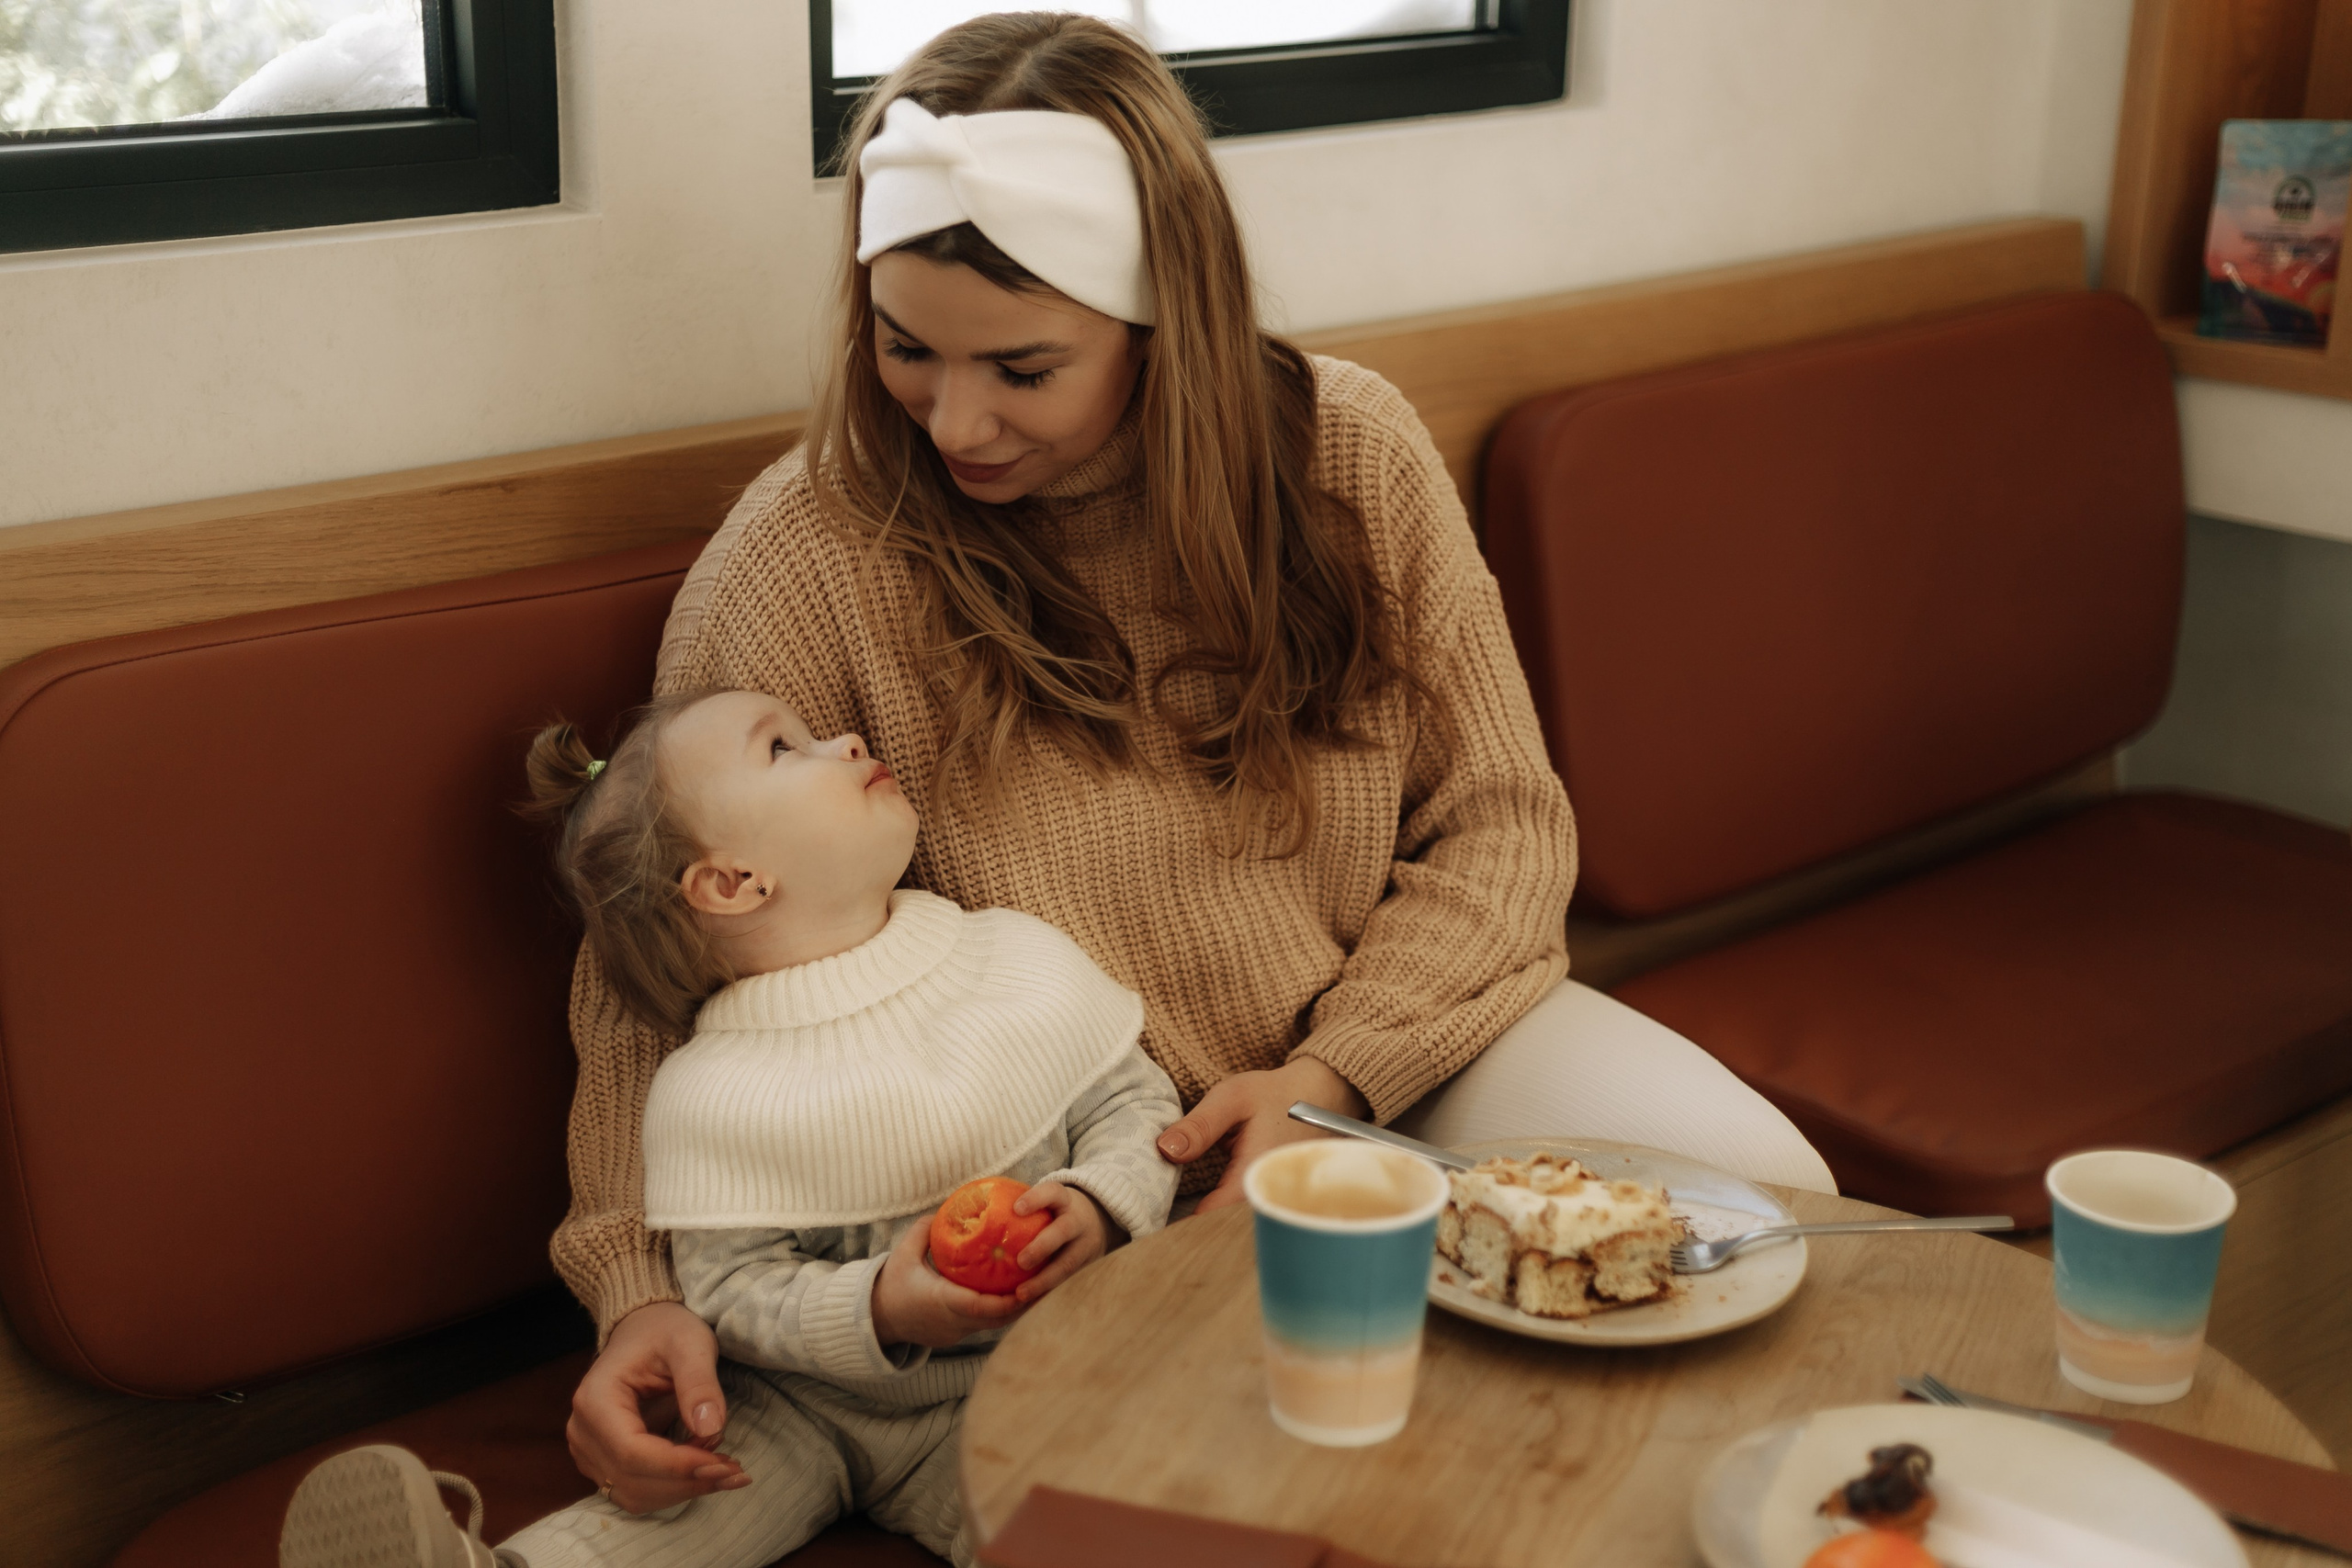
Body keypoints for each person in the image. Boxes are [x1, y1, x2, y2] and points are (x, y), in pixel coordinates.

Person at [556, 9, 1834, 1528]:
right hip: (1096, 1160)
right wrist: (632, 1284)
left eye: (1021, 366)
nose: (955, 419)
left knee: (1771, 1208)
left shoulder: (1347, 455)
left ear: (1164, 318)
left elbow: (1502, 830)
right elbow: (663, 952)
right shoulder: (805, 553)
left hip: (1397, 1053)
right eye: (906, 349)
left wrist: (1329, 1076)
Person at [277, 689, 1179, 1567]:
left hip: (1036, 1378)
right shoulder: (709, 1092)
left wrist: (1097, 1202)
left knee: (1064, 1523)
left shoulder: (1012, 955)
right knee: (686, 1498)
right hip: (806, 1407)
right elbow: (733, 1289)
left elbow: (1137, 1107)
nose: (848, 740)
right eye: (785, 748)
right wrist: (875, 1307)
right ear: (732, 882)